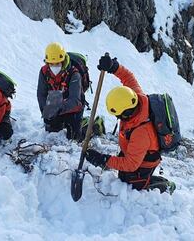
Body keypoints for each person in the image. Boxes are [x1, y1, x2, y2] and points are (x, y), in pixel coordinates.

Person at [85, 54, 172, 193]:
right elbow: (128, 77)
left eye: (118, 115)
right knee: (123, 176)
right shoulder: (135, 97)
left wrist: (103, 159)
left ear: (125, 114)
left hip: (145, 162)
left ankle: (164, 186)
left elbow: (131, 164)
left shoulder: (141, 132)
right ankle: (145, 179)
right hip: (135, 152)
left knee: (132, 186)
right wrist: (113, 67)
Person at [37, 42, 84, 141]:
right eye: (51, 64)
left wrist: (57, 109)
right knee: (51, 131)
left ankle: (86, 124)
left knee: (74, 137)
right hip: (56, 105)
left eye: (57, 63)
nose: (54, 66)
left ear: (62, 61)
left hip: (73, 107)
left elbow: (75, 100)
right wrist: (45, 110)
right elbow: (41, 94)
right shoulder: (44, 72)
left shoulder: (74, 74)